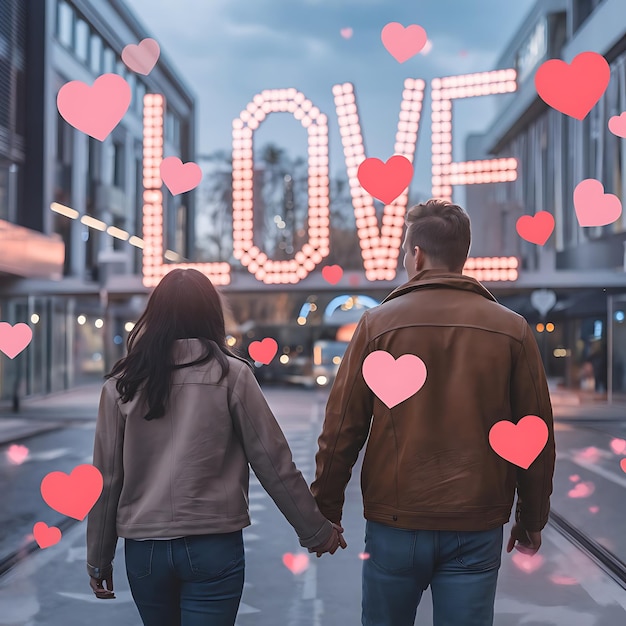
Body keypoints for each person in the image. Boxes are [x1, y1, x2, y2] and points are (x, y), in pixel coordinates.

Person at [311, 199, 556, 626]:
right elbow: (535, 433)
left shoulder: (376, 326)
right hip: (477, 523)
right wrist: (531, 517)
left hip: (395, 522)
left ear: (417, 255)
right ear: (463, 256)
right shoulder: (512, 330)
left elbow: (341, 431)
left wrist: (325, 511)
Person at [86, 268, 346, 626]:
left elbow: (107, 479)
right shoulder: (231, 375)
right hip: (213, 544)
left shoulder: (121, 384)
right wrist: (315, 530)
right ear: (210, 314)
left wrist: (99, 558)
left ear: (155, 315)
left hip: (144, 549)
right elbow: (273, 461)